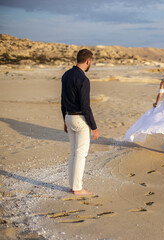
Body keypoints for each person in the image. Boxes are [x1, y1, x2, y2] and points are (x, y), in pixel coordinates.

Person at [61, 49, 99, 195]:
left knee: (73, 153)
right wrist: (94, 127)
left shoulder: (66, 75)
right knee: (80, 154)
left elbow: (62, 100)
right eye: (91, 62)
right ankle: (77, 188)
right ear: (88, 61)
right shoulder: (83, 79)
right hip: (80, 119)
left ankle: (73, 186)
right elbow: (85, 106)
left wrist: (64, 119)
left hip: (69, 117)